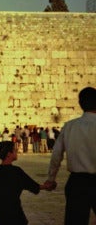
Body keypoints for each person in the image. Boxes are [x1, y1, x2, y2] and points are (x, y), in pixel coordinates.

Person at [45, 86, 96, 225]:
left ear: (80, 104)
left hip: (77, 183)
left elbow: (56, 155)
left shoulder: (69, 126)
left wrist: (51, 178)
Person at [0, 141, 49, 225]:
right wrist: (47, 186)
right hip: (14, 213)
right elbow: (32, 185)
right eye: (14, 150)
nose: (17, 152)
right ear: (8, 154)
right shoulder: (16, 171)